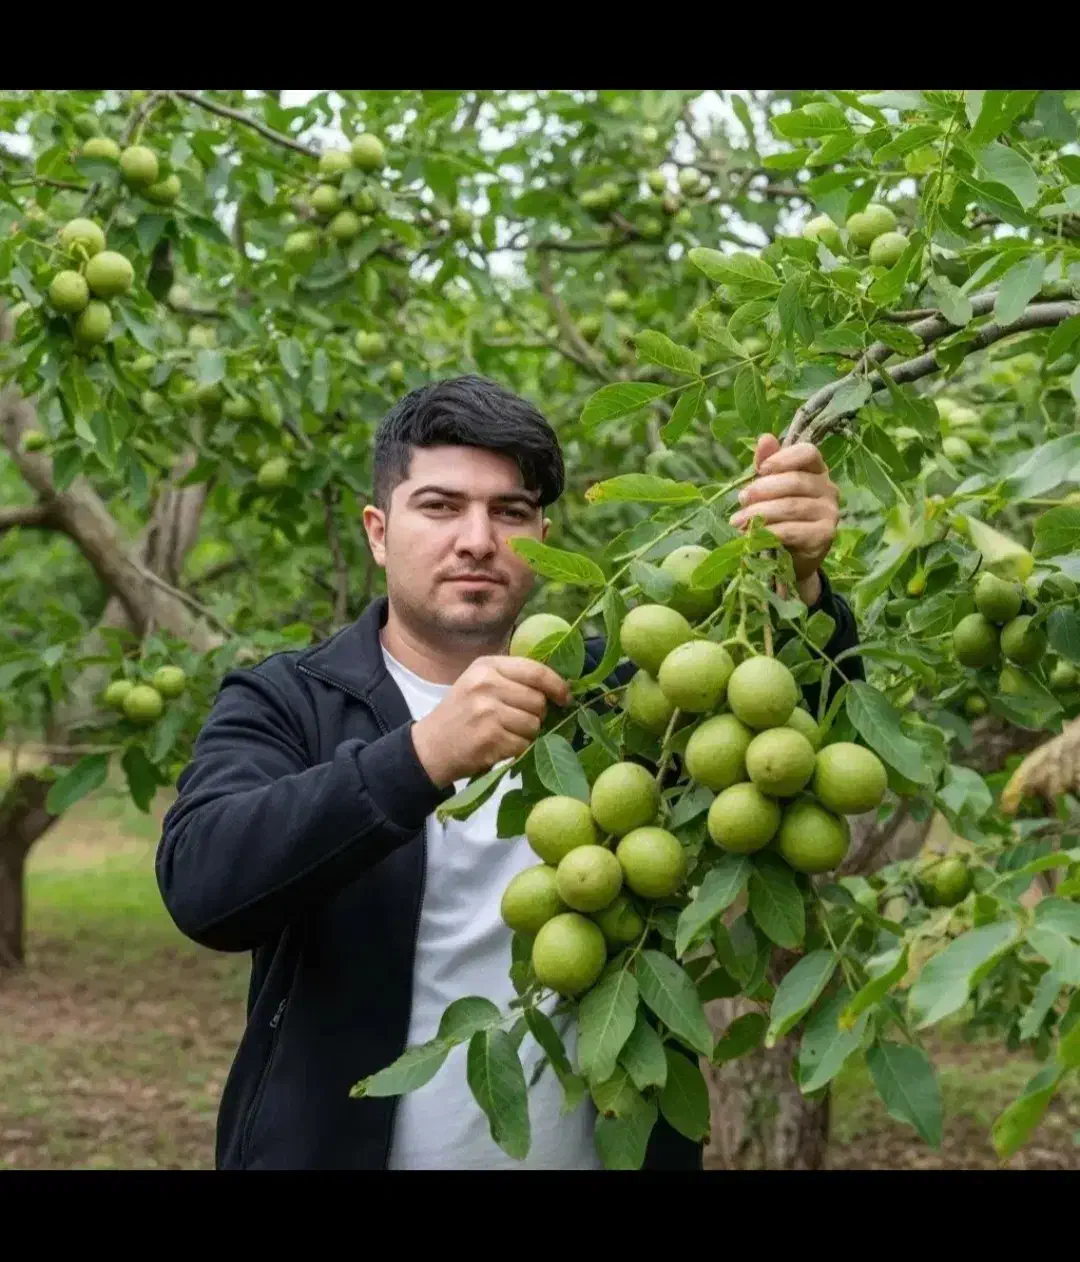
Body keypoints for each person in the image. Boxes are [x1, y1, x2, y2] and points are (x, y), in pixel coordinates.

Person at [155, 374, 862, 1171]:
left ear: (541, 537)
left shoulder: (628, 693)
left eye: (510, 512)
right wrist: (419, 757)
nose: (477, 540)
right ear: (378, 532)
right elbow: (204, 885)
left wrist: (801, 585)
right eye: (440, 506)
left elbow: (792, 748)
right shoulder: (288, 699)